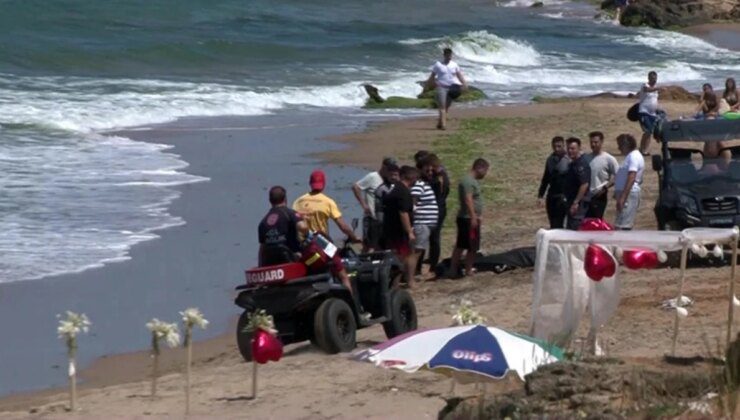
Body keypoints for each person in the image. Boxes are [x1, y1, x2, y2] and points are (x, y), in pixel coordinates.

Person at [293, 170, 361, 294]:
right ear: (323, 184)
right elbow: (343, 226)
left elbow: (293, 224)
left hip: (303, 246)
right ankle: (351, 302)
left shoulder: (298, 202)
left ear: (310, 183)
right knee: (343, 274)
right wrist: (355, 237)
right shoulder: (327, 201)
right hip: (322, 242)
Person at [449, 158, 490, 278]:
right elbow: (468, 199)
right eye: (485, 170)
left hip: (471, 218)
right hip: (467, 219)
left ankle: (466, 268)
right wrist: (473, 217)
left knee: (472, 245)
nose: (485, 174)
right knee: (465, 245)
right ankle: (458, 269)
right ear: (479, 168)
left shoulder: (473, 181)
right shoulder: (467, 182)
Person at [383, 166, 418, 288]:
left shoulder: (396, 189)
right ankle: (407, 282)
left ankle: (398, 283)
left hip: (391, 229)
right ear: (412, 178)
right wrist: (409, 231)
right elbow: (403, 213)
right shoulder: (403, 191)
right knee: (404, 256)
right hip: (399, 231)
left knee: (400, 256)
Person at [352, 157, 397, 252]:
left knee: (382, 245)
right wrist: (364, 205)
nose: (391, 172)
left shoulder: (391, 180)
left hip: (386, 219)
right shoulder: (372, 177)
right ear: (383, 167)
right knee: (369, 245)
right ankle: (364, 263)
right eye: (389, 169)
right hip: (372, 218)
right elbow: (356, 187)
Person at [258, 186, 308, 266]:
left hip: (270, 261)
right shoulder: (290, 213)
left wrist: (260, 266)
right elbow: (303, 227)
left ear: (270, 201)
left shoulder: (263, 222)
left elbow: (262, 248)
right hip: (290, 259)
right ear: (285, 199)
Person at [410, 157, 439, 282]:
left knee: (420, 250)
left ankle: (413, 274)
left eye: (432, 171)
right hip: (421, 224)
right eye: (427, 171)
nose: (430, 173)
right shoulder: (419, 184)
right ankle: (410, 277)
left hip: (426, 224)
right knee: (417, 251)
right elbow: (413, 204)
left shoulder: (424, 184)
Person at [426, 47, 468, 131]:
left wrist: (464, 84)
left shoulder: (454, 65)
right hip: (441, 87)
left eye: (450, 55)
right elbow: (432, 76)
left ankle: (439, 123)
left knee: (446, 107)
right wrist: (429, 86)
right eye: (447, 55)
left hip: (451, 88)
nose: (449, 57)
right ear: (444, 55)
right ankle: (444, 125)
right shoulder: (438, 65)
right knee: (442, 107)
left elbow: (459, 75)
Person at [537, 136, 570, 229]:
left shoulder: (569, 160)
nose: (557, 149)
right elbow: (546, 178)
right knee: (554, 223)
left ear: (563, 145)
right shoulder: (550, 160)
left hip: (566, 195)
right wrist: (540, 195)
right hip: (553, 196)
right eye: (555, 146)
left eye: (559, 146)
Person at [585, 131, 619, 219]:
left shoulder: (609, 159)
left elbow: (618, 175)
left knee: (597, 221)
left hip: (599, 195)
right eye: (591, 142)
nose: (593, 144)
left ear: (601, 142)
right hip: (586, 196)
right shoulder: (586, 158)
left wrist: (605, 188)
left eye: (596, 142)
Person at [614, 134, 645, 230]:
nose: (618, 148)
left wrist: (623, 197)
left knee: (623, 225)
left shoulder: (634, 157)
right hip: (626, 193)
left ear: (626, 145)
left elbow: (632, 176)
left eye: (620, 145)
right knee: (620, 222)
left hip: (628, 194)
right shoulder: (631, 156)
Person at [563, 137, 591, 230]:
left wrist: (576, 202)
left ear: (579, 148)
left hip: (579, 203)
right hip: (571, 200)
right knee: (570, 226)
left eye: (573, 149)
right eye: (568, 149)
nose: (570, 151)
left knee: (576, 227)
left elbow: (584, 184)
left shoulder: (581, 164)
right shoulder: (573, 164)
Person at [637, 71, 660, 155]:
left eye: (655, 78)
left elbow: (655, 100)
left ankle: (644, 149)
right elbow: (647, 90)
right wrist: (658, 88)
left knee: (649, 132)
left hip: (653, 114)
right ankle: (643, 150)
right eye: (652, 78)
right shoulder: (645, 85)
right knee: (648, 131)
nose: (654, 80)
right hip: (644, 112)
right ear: (648, 78)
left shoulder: (656, 88)